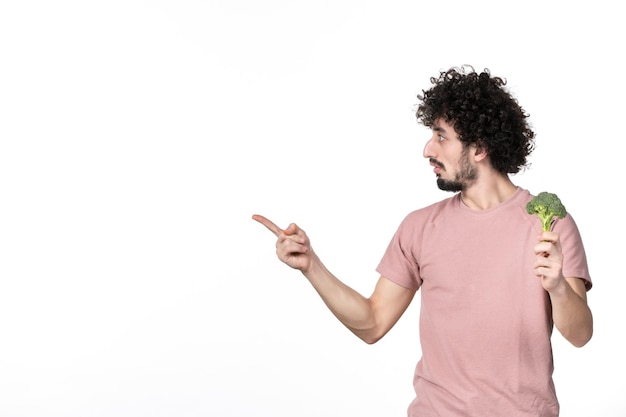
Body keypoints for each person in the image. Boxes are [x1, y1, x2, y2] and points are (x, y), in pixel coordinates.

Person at [252, 65, 593, 417]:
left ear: (479, 147)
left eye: (441, 136)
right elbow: (372, 323)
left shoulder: (549, 224)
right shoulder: (419, 227)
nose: (428, 149)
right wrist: (311, 266)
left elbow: (580, 334)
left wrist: (558, 288)